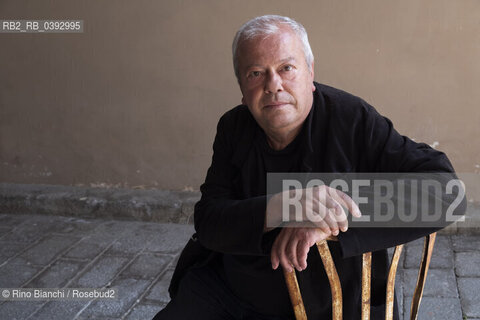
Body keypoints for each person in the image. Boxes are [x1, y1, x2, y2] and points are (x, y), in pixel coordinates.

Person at [153, 15, 463, 320]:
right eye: (256, 73)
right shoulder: (233, 127)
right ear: (242, 89)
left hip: (328, 303)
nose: (274, 85)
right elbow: (208, 221)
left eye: (286, 68)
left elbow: (446, 193)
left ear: (310, 73)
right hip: (231, 292)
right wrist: (285, 205)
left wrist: (325, 215)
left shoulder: (350, 118)